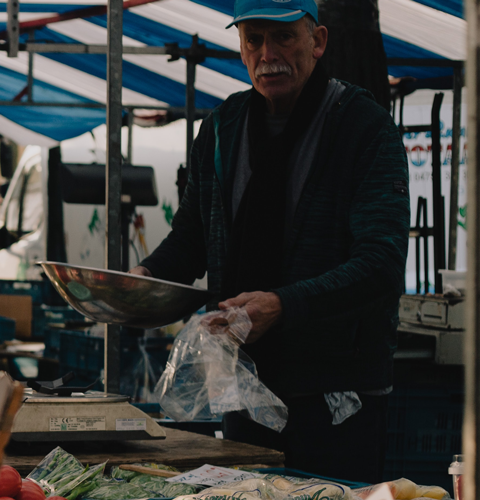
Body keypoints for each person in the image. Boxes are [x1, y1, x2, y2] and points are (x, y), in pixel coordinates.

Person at [132, 0, 408, 482]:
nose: (268, 53)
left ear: (317, 41)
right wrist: (143, 278)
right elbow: (193, 236)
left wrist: (283, 304)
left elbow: (380, 263)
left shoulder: (363, 128)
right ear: (240, 47)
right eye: (254, 38)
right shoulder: (222, 129)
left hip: (337, 398)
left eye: (284, 37)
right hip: (244, 386)